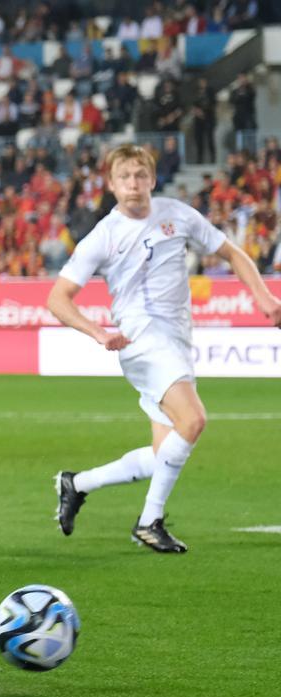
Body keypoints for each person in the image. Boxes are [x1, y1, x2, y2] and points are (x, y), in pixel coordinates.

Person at [47, 144, 281, 553]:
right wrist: (98, 332)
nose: (133, 184)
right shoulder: (103, 235)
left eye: (140, 176)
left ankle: (77, 483)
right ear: (112, 184)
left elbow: (232, 252)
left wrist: (263, 298)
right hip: (142, 339)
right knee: (193, 422)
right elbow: (58, 298)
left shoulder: (177, 214)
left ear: (153, 180)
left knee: (163, 455)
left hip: (176, 340)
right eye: (125, 178)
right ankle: (148, 522)